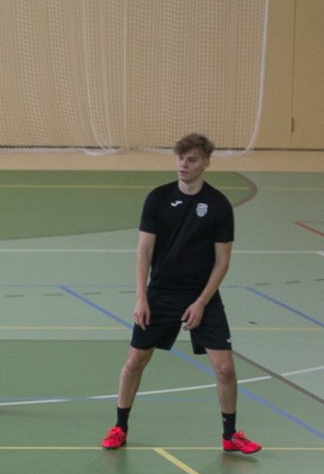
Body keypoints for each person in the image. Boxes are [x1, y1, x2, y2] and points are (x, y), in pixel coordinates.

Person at [100, 133, 260, 454]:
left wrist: (201, 302)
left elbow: (222, 261)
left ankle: (230, 435)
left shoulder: (218, 205)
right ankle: (120, 427)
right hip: (160, 294)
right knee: (135, 360)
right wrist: (141, 297)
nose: (183, 165)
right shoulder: (158, 199)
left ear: (206, 163)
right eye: (180, 158)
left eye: (191, 160)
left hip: (202, 296)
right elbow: (144, 252)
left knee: (225, 368)